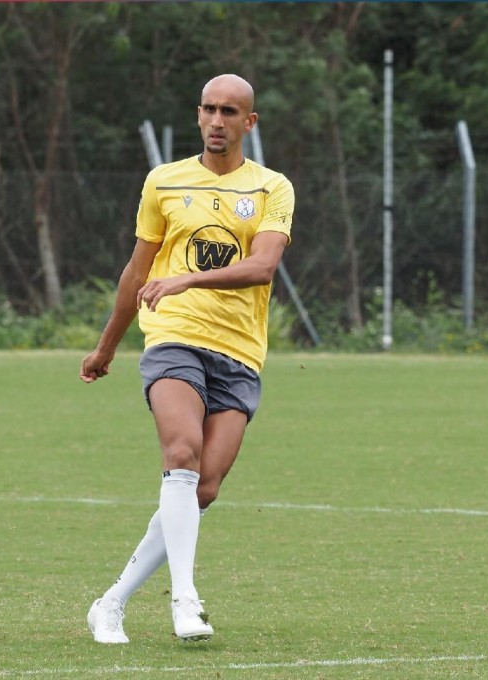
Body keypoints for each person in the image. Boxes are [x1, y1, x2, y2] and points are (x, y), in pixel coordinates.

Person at [79, 73, 295, 644]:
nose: (217, 120)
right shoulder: (165, 182)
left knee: (204, 488)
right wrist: (107, 345)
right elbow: (136, 271)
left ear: (249, 122)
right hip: (173, 338)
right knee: (181, 452)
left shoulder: (273, 188)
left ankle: (111, 602)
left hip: (240, 352)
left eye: (229, 112)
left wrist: (185, 279)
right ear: (197, 115)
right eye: (208, 109)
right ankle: (185, 599)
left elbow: (262, 267)